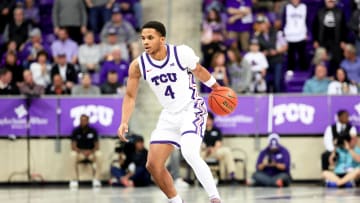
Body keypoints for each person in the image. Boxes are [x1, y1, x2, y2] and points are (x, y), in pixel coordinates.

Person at [117, 21, 222, 203]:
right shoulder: (138, 65)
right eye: (143, 38)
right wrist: (124, 121)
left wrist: (217, 88)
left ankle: (215, 198)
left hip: (191, 108)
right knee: (153, 165)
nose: (146, 42)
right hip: (169, 115)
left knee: (189, 152)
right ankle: (176, 201)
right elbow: (130, 95)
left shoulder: (181, 53)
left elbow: (199, 70)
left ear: (162, 39)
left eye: (150, 38)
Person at [312, 0, 347, 75]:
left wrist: (343, 40)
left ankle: (336, 78)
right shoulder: (320, 12)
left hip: (336, 42)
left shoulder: (340, 12)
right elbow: (315, 27)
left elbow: (344, 28)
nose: (330, 1)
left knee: (337, 61)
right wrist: (315, 40)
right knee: (320, 61)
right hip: (322, 41)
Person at [255, 15, 287, 93]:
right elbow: (256, 50)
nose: (261, 26)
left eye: (262, 23)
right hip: (266, 62)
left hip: (277, 60)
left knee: (277, 83)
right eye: (259, 24)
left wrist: (276, 51)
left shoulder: (276, 32)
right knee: (264, 83)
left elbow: (285, 46)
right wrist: (263, 53)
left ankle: (279, 100)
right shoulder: (258, 36)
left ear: (267, 24)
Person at [70, 114, 102, 188]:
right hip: (80, 154)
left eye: (84, 120)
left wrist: (90, 151)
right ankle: (74, 180)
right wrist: (82, 152)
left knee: (99, 154)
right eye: (81, 120)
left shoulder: (93, 131)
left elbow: (97, 146)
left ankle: (96, 179)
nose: (83, 122)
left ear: (88, 121)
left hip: (91, 153)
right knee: (72, 155)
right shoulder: (76, 131)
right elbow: (73, 146)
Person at [202, 112, 236, 181]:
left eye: (209, 119)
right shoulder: (201, 131)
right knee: (197, 154)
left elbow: (218, 144)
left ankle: (232, 173)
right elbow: (201, 144)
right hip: (204, 152)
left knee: (226, 150)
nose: (207, 121)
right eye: (206, 119)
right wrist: (206, 149)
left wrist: (213, 149)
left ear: (212, 120)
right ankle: (200, 176)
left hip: (215, 151)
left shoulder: (217, 130)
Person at [283, 0, 308, 71]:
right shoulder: (287, 7)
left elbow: (307, 20)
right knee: (290, 55)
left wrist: (307, 32)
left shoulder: (304, 7)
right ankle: (290, 69)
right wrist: (283, 32)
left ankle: (304, 70)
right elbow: (283, 20)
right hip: (289, 36)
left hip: (301, 35)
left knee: (302, 54)